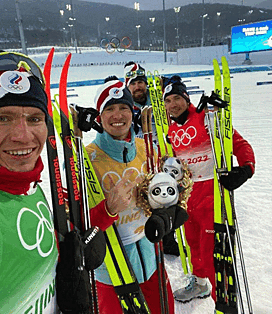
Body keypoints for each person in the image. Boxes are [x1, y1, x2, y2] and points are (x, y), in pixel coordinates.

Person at [0, 51, 106, 314]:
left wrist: (63, 266)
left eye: (34, 118)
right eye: (2, 118)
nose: (23, 136)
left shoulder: (30, 186)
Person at [83, 79, 187, 314]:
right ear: (99, 116)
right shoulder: (86, 159)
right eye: (109, 108)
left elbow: (170, 192)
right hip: (111, 270)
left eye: (124, 108)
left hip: (152, 261)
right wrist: (108, 209)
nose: (117, 115)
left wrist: (170, 212)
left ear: (133, 113)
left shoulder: (145, 149)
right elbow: (77, 227)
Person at [163, 76, 255, 303]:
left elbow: (238, 143)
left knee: (213, 255)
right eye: (168, 100)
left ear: (186, 98)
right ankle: (200, 284)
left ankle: (221, 301)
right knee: (194, 247)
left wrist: (245, 168)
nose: (173, 104)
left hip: (213, 198)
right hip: (188, 199)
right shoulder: (171, 130)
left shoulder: (207, 119)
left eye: (177, 98)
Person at [124, 62, 179, 256]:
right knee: (144, 199)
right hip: (138, 159)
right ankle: (146, 235)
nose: (138, 87)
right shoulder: (125, 105)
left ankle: (169, 237)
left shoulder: (159, 100)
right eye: (133, 84)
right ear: (127, 86)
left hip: (162, 157)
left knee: (166, 197)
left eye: (141, 82)